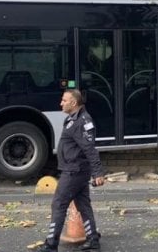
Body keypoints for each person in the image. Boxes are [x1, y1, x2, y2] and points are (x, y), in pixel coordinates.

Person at [38, 89, 106, 252]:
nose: (61, 103)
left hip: (74, 171)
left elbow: (89, 148)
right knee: (83, 205)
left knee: (58, 204)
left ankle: (51, 244)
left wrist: (98, 172)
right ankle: (93, 240)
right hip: (76, 169)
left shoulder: (82, 122)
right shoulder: (73, 119)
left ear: (73, 103)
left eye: (64, 100)